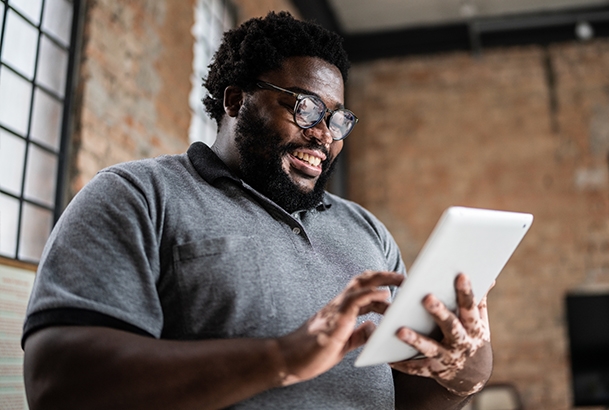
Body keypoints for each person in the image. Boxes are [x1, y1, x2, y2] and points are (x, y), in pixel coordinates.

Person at [22, 11, 493, 410]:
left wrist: (460, 373)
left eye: (336, 119)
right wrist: (283, 357)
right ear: (235, 99)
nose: (324, 134)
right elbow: (57, 381)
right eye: (306, 108)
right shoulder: (138, 195)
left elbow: (404, 399)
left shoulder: (368, 230)